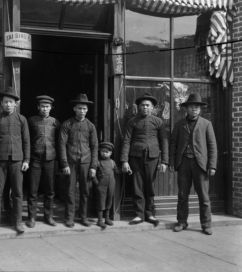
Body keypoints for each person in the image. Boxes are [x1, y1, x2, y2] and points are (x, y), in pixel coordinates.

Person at [169, 93, 217, 235]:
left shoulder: (206, 124)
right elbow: (173, 144)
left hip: (200, 165)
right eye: (191, 107)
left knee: (204, 196)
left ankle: (206, 224)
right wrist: (172, 162)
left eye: (196, 107)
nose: (194, 110)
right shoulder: (179, 124)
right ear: (186, 109)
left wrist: (212, 165)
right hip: (183, 163)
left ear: (200, 109)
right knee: (182, 195)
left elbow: (212, 146)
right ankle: (182, 222)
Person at [0, 87, 30, 234]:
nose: (8, 105)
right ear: (1, 103)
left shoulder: (21, 119)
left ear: (15, 104)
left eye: (11, 102)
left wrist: (26, 160)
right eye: (5, 102)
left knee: (17, 193)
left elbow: (26, 141)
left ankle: (17, 222)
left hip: (17, 161)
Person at [120, 92, 168, 226]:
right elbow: (126, 141)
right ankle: (138, 215)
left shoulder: (158, 122)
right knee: (137, 186)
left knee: (149, 186)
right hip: (135, 157)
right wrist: (124, 160)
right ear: (138, 107)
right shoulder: (132, 122)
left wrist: (164, 161)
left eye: (147, 105)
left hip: (152, 157)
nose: (145, 108)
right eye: (142, 105)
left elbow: (164, 142)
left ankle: (150, 214)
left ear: (152, 107)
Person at [59, 94, 98, 228]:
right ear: (74, 108)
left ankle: (83, 217)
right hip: (71, 162)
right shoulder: (67, 124)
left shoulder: (90, 126)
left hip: (86, 162)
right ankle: (70, 218)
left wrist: (93, 166)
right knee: (70, 190)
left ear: (87, 110)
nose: (82, 111)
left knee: (85, 191)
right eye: (79, 108)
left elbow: (94, 146)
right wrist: (64, 163)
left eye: (84, 109)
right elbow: (62, 144)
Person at [26, 95, 61, 228]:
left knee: (50, 190)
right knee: (33, 190)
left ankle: (49, 216)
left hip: (50, 160)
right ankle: (32, 218)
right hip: (35, 159)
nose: (45, 109)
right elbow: (26, 140)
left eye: (47, 106)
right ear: (38, 107)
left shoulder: (55, 122)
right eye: (42, 106)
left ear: (51, 108)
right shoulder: (31, 121)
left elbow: (60, 141)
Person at [93, 142, 119, 228]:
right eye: (102, 151)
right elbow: (92, 175)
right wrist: (97, 183)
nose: (104, 153)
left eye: (106, 152)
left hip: (111, 184)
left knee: (109, 200)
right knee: (101, 201)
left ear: (110, 153)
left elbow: (116, 171)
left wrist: (125, 170)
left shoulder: (112, 162)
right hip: (101, 185)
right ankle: (100, 220)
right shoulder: (98, 162)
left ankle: (107, 219)